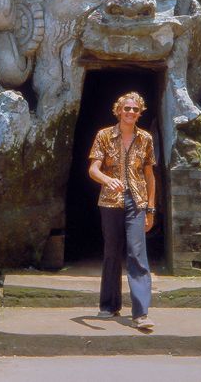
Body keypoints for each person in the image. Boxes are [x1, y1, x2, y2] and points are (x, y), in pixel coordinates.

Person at [87, 91, 157, 332]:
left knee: (137, 253)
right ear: (118, 111)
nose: (130, 112)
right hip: (110, 200)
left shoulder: (145, 139)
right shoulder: (104, 136)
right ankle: (109, 305)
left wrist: (151, 207)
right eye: (126, 108)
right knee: (111, 251)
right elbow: (93, 169)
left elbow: (149, 175)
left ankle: (141, 313)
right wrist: (108, 180)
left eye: (135, 109)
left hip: (136, 202)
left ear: (140, 113)